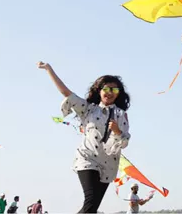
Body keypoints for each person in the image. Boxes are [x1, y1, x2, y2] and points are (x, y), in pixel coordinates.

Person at [38, 61, 131, 213]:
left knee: (92, 207)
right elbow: (67, 93)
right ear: (99, 91)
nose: (110, 92)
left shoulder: (121, 115)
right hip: (87, 158)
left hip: (108, 163)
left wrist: (117, 131)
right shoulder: (88, 109)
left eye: (114, 89)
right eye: (106, 88)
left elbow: (125, 141)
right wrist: (49, 69)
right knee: (91, 199)